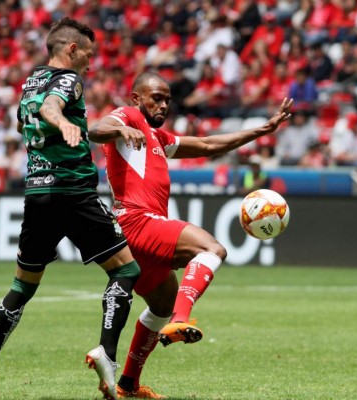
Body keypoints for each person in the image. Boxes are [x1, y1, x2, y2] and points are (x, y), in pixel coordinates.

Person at [0, 18, 143, 400]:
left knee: (22, 285)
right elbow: (52, 108)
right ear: (72, 50)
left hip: (37, 193)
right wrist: (62, 122)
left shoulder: (30, 81)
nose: (91, 64)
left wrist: (101, 129)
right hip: (73, 191)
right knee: (126, 269)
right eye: (89, 55)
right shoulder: (68, 80)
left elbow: (25, 121)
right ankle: (106, 354)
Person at [89, 71, 292, 398]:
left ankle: (128, 384)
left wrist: (262, 129)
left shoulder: (159, 138)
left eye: (168, 99)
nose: (164, 104)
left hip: (136, 234)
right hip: (137, 221)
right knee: (212, 249)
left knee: (161, 305)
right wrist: (122, 127)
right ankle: (182, 320)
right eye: (157, 97)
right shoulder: (127, 117)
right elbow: (95, 130)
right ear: (136, 98)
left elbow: (209, 144)